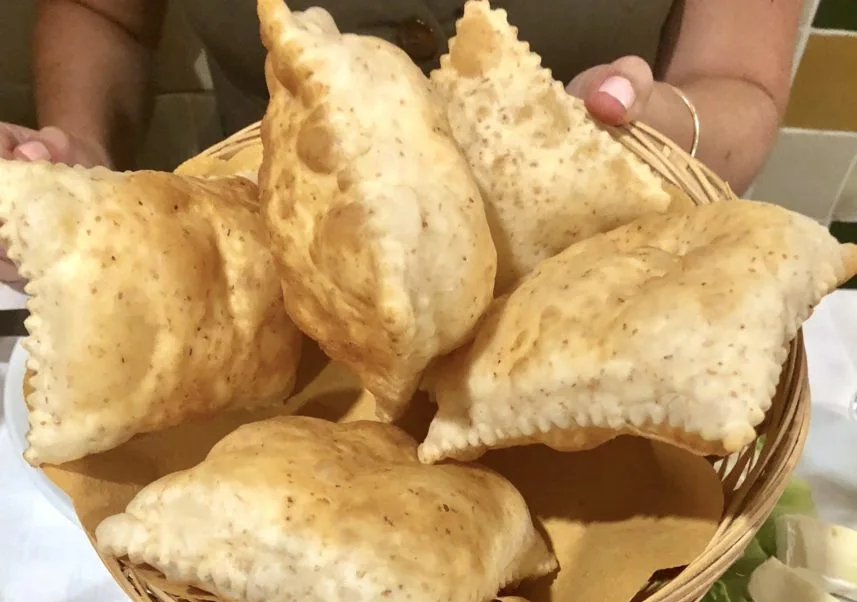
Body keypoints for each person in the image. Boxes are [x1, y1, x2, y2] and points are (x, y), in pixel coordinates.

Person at [0, 0, 802, 280]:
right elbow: (101, 10)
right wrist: (83, 157)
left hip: (585, 283)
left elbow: (738, 81)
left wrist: (657, 126)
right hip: (255, 266)